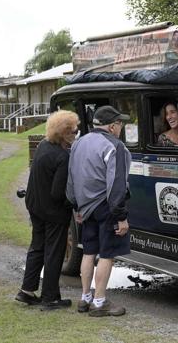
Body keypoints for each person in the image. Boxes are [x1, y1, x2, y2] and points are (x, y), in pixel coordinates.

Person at [66, 105, 131, 317]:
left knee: (88, 251)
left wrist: (76, 206)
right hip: (107, 206)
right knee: (107, 254)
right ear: (112, 126)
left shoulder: (78, 143)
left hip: (85, 207)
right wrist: (121, 216)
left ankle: (85, 298)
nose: (121, 127)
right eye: (120, 123)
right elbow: (117, 184)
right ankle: (100, 301)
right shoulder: (115, 146)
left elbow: (71, 179)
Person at [16, 110, 79, 311]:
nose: (76, 135)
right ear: (64, 133)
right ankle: (50, 297)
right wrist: (74, 204)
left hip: (35, 206)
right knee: (54, 252)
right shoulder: (62, 156)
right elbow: (58, 193)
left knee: (37, 247)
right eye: (73, 132)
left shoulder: (43, 146)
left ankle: (27, 291)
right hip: (52, 211)